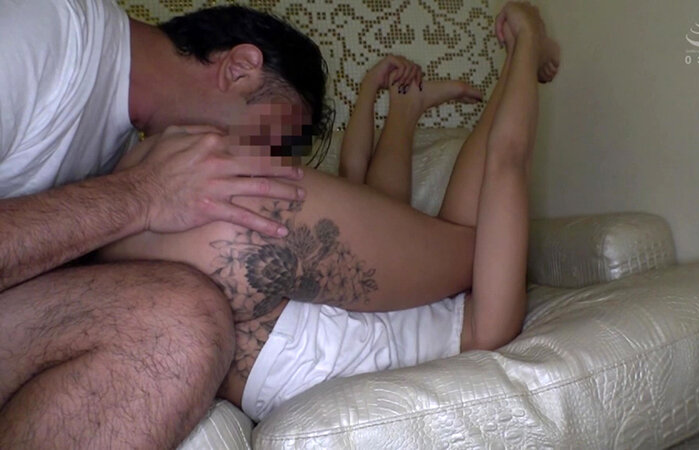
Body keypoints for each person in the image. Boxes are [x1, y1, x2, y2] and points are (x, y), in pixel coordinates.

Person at [101, 1, 561, 422]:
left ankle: (516, 50)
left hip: (279, 336)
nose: (276, 153)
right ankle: (522, 43)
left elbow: (371, 188)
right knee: (484, 188)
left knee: (480, 190)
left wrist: (371, 97)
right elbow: (495, 165)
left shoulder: (469, 316)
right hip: (281, 346)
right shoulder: (484, 328)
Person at [0, 0, 324, 447]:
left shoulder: (120, 147)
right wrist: (143, 194)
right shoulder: (43, 27)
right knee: (174, 321)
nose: (263, 163)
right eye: (273, 141)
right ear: (240, 68)